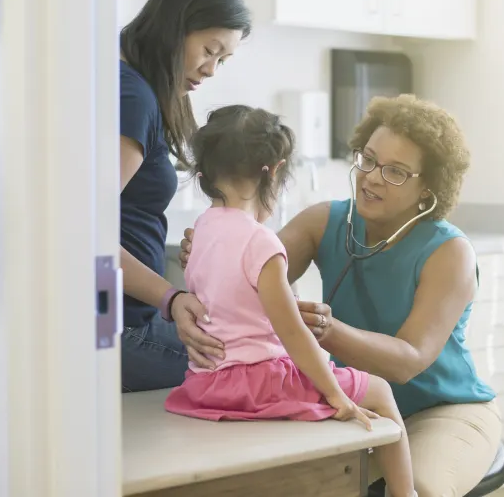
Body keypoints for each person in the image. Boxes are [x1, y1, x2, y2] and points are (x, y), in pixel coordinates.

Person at [178, 95, 502, 497]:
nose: (373, 177)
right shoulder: (325, 221)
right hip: (349, 400)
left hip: (441, 409)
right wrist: (215, 251)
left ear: (429, 188)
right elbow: (251, 272)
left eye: (396, 172)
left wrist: (325, 330)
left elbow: (408, 361)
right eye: (368, 159)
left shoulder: (448, 252)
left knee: (420, 488)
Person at [165, 105, 417, 497]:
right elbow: (294, 334)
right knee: (380, 392)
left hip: (206, 382)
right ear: (275, 171)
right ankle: (407, 495)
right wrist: (335, 394)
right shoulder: (260, 241)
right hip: (255, 382)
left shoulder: (202, 230)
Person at [119, 0, 251, 392]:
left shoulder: (126, 84)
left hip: (123, 320)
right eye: (209, 50)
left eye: (222, 60)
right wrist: (171, 298)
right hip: (120, 330)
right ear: (176, 27)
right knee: (270, 362)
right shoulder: (132, 97)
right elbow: (84, 230)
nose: (211, 70)